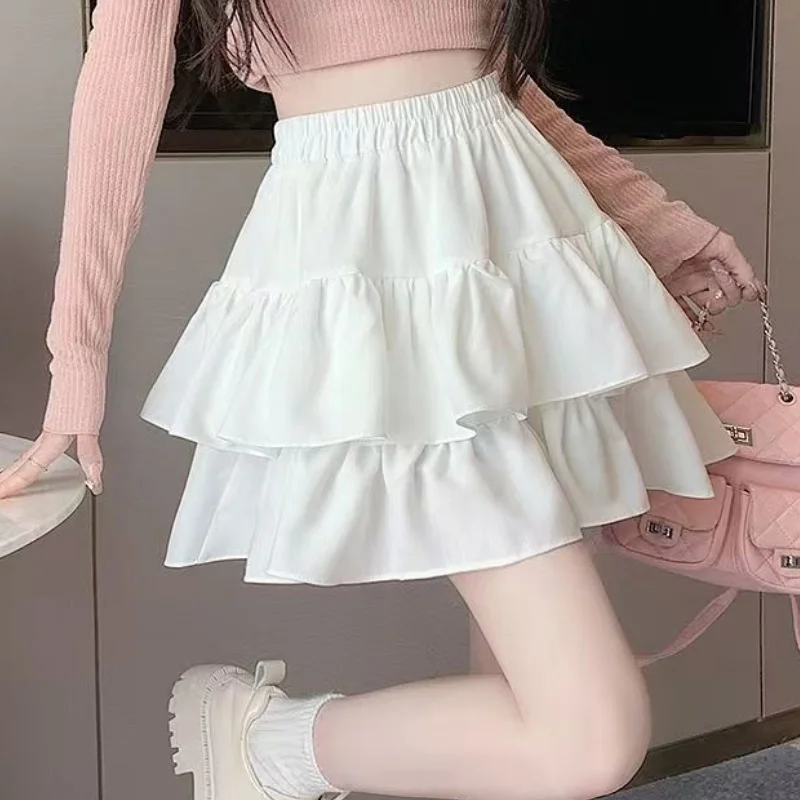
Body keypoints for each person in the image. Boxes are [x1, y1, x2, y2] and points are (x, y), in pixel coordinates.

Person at [0, 1, 763, 799]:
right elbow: (119, 89)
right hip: (380, 264)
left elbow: (496, 87)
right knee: (588, 740)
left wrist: (661, 228)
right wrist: (76, 359)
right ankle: (264, 743)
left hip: (526, 250)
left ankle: (271, 746)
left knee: (526, 680)